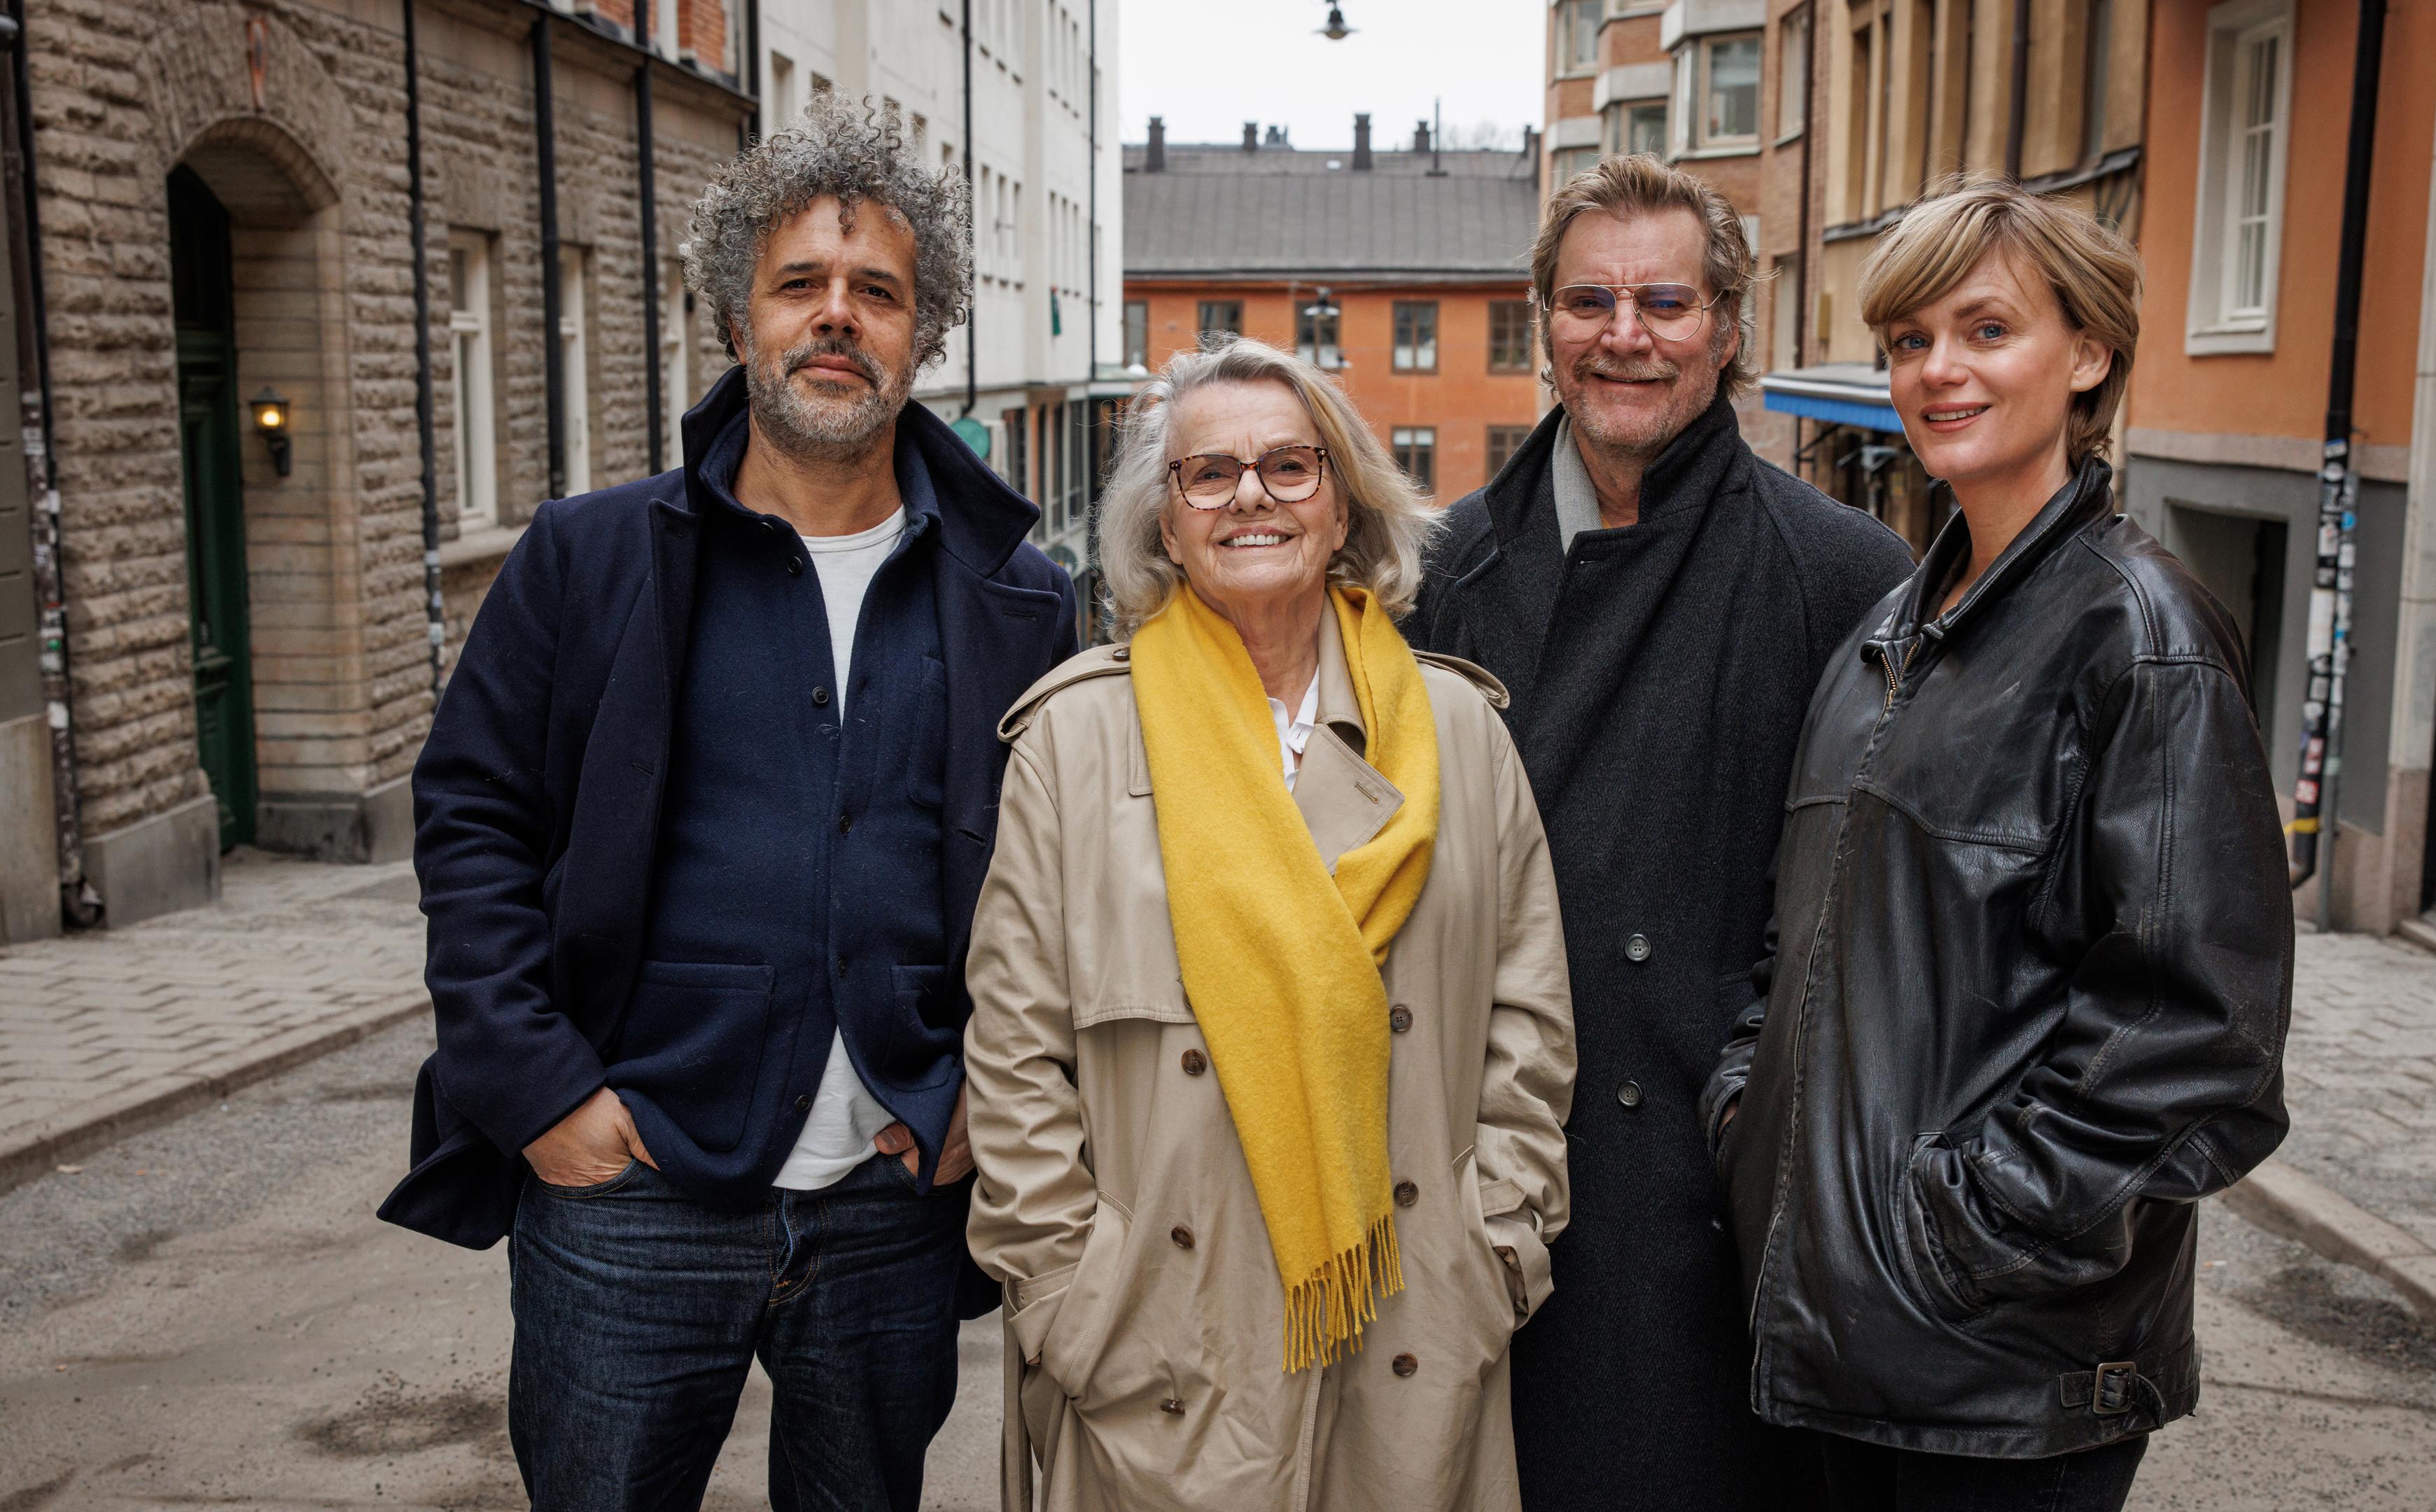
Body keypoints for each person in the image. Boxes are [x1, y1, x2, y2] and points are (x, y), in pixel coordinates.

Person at [377, 96, 1076, 1510]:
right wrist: (539, 1091)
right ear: (734, 317)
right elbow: (470, 822)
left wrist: (978, 1105)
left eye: (874, 291)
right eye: (798, 286)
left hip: (892, 1201)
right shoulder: (591, 559)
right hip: (629, 1197)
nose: (836, 318)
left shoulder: (1020, 598)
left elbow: (1063, 890)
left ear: (922, 329)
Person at [1704, 177, 2294, 1511]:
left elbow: (2198, 1043)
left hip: (2004, 1377)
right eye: (1911, 341)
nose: (1938, 371)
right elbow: (1795, 934)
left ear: (2086, 354)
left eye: (1986, 330)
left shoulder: (2140, 636)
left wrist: (1954, 1234)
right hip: (1840, 1338)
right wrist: (1750, 1118)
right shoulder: (1888, 636)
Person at [963, 337, 1576, 1511]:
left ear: (1345, 505)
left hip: (1408, 1321)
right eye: (1209, 474)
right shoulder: (1076, 742)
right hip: (1157, 1349)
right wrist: (1071, 1299)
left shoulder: (1457, 733)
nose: (1251, 495)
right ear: (1165, 523)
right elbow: (1012, 1056)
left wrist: (1491, 1252)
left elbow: (1530, 1023)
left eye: (1290, 467)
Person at [1406, 154, 1913, 1506]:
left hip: (1705, 1217)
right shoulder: (1441, 572)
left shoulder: (1845, 577)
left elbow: (1877, 926)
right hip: (1483, 1189)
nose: (1625, 335)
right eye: (1589, 302)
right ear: (1544, 326)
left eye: (1666, 302)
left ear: (1730, 328)